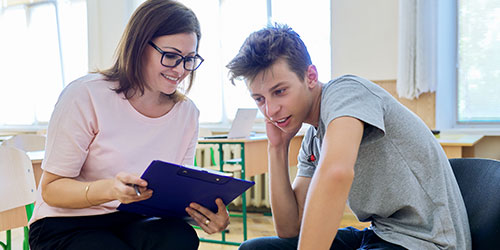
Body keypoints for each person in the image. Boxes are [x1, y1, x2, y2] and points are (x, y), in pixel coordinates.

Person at [226, 24, 471, 250]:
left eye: (279, 91)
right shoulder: (313, 137)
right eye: (259, 99)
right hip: (380, 234)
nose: (270, 109)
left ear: (310, 76)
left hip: (425, 241)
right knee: (254, 249)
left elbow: (337, 173)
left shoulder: (346, 92)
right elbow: (290, 228)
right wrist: (277, 148)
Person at [28, 1, 229, 249]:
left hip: (132, 219)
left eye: (189, 59)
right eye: (170, 56)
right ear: (138, 46)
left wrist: (207, 215)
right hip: (66, 223)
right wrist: (109, 190)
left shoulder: (187, 113)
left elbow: (172, 198)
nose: (180, 70)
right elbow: (51, 190)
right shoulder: (86, 94)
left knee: (180, 236)